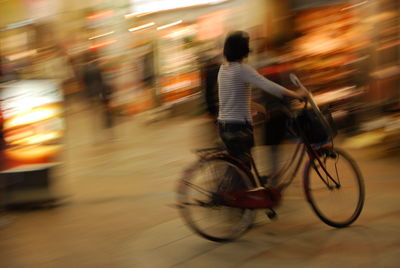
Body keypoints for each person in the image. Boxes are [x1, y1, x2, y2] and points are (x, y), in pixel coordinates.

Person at [217, 31, 307, 179]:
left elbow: (233, 99)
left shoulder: (223, 69)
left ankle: (232, 193)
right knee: (243, 173)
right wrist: (296, 94)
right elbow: (269, 86)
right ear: (243, 50)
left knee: (240, 167)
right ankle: (233, 197)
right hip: (239, 127)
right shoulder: (242, 69)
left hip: (224, 125)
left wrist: (260, 108)